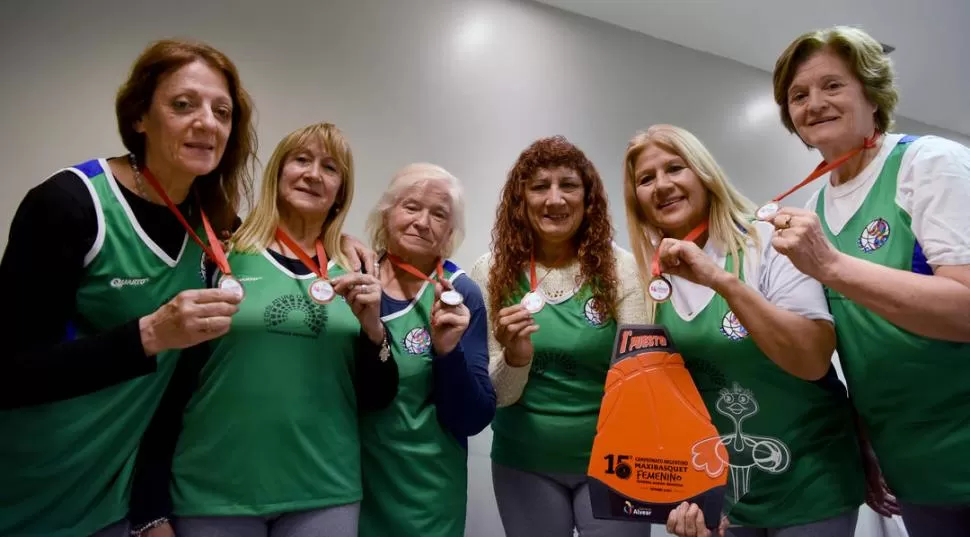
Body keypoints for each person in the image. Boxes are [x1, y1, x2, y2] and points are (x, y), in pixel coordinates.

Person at [0, 39, 258, 537]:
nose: (207, 122)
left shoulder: (217, 227)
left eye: (222, 111)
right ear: (140, 116)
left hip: (112, 499)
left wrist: (356, 249)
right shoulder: (69, 204)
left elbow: (174, 390)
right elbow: (9, 372)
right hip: (26, 487)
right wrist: (149, 333)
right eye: (183, 104)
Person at [126, 122, 399, 537]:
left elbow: (378, 397)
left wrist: (374, 331)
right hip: (214, 491)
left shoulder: (357, 269)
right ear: (278, 171)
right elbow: (169, 383)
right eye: (301, 159)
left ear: (340, 190)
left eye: (330, 167)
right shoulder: (220, 254)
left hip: (323, 490)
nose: (312, 173)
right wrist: (150, 507)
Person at [767, 25, 970, 537]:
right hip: (914, 469)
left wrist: (831, 265)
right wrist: (862, 438)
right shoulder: (813, 208)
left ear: (872, 94)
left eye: (832, 85)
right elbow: (855, 343)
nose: (814, 103)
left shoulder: (928, 164)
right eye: (798, 95)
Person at [624, 125, 864, 537]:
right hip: (723, 497)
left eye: (675, 168)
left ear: (704, 174)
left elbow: (811, 357)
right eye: (646, 179)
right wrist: (685, 492)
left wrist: (722, 282)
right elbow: (663, 404)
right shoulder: (646, 280)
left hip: (810, 478)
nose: (662, 186)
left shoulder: (769, 241)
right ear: (638, 201)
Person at [469, 136, 647, 537]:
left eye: (568, 185)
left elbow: (640, 378)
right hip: (524, 463)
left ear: (588, 199)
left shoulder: (621, 269)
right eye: (539, 186)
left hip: (613, 461)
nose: (554, 199)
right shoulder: (491, 270)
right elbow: (498, 395)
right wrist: (516, 356)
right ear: (521, 199)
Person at [357, 163, 496, 537]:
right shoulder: (355, 278)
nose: (423, 222)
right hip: (349, 487)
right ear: (386, 213)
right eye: (411, 206)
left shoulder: (459, 293)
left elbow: (473, 417)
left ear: (450, 232)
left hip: (427, 497)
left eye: (438, 214)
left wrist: (448, 353)